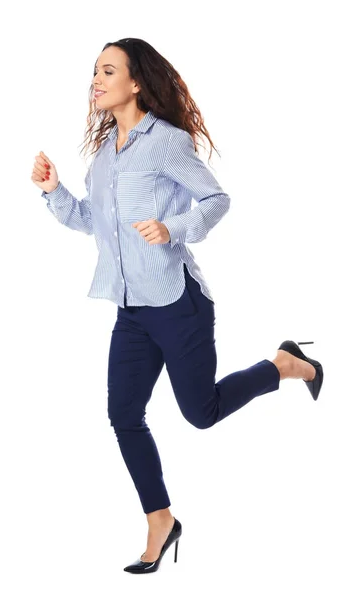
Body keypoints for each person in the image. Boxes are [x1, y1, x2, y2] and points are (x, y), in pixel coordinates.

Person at [31, 38, 324, 575]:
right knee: (123, 415)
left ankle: (283, 364)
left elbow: (216, 200)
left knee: (201, 413)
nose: (95, 79)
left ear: (135, 82)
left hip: (176, 301)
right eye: (94, 71)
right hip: (131, 309)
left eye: (108, 70)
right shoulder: (103, 157)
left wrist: (173, 228)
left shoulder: (164, 143)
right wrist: (53, 192)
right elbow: (92, 224)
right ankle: (160, 519)